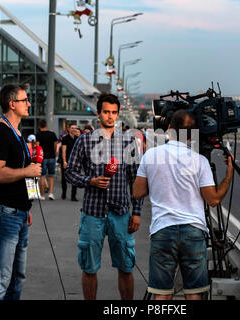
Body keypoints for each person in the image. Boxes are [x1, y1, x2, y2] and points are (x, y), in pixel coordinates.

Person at [132, 110, 234, 300]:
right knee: (194, 294)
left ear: (169, 129)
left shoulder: (151, 155)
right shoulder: (200, 161)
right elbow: (213, 200)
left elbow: (137, 192)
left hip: (162, 230)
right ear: (192, 135)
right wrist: (229, 174)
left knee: (161, 294)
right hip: (193, 232)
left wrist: (159, 181)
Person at [65, 93, 144, 300]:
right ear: (99, 113)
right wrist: (89, 181)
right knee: (89, 268)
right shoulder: (84, 141)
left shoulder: (128, 142)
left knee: (126, 266)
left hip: (120, 213)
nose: (110, 116)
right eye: (106, 112)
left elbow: (137, 180)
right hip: (93, 212)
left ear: (118, 115)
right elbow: (70, 172)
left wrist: (136, 213)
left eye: (114, 113)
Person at [0, 83, 42, 300]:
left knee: (16, 279)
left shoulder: (17, 132)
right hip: (3, 212)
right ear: (12, 104)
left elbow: (21, 173)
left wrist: (28, 206)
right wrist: (28, 170)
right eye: (24, 100)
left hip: (19, 212)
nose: (29, 103)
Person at [36, 119, 58, 200]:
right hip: (51, 156)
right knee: (51, 176)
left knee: (42, 176)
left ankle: (42, 195)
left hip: (42, 157)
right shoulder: (52, 134)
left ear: (39, 126)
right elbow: (55, 144)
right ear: (46, 125)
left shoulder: (38, 134)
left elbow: (37, 146)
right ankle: (51, 193)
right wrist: (55, 152)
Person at [59, 123, 79, 201]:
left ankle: (73, 196)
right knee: (64, 178)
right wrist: (64, 161)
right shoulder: (65, 138)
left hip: (75, 162)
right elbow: (63, 151)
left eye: (75, 128)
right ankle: (64, 193)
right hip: (67, 160)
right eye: (72, 128)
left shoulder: (78, 138)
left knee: (75, 178)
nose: (74, 129)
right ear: (69, 129)